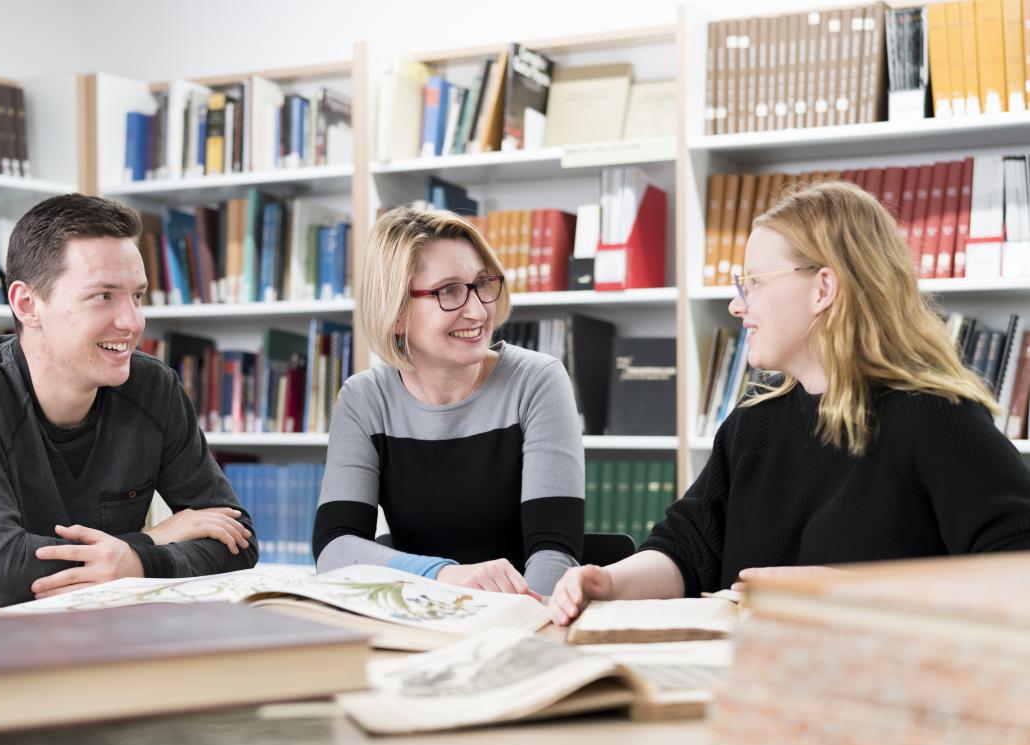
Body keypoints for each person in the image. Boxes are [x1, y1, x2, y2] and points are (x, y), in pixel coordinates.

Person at [0, 193, 260, 745]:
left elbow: (238, 542)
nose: (130, 322)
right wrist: (154, 541)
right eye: (103, 296)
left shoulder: (154, 390)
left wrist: (139, 553)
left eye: (137, 295)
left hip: (98, 661)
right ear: (27, 303)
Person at [551, 180, 1030, 624]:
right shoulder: (750, 427)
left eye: (754, 282)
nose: (738, 305)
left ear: (823, 288)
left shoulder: (936, 417)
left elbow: (1015, 575)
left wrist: (852, 594)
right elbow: (687, 548)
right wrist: (611, 581)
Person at [312, 205, 584, 596]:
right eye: (449, 291)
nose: (477, 311)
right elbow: (334, 548)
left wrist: (512, 622)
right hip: (420, 615)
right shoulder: (364, 400)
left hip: (520, 617)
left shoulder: (536, 381)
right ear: (398, 312)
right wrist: (445, 576)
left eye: (481, 284)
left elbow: (554, 557)